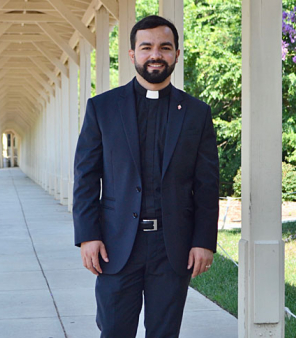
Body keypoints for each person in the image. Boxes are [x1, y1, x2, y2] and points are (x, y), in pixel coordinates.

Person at [73, 15, 219, 338]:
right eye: (147, 47)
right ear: (132, 54)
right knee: (113, 331)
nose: (156, 54)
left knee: (164, 333)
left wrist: (204, 241)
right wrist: (87, 235)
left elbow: (207, 186)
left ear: (177, 54)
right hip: (116, 245)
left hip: (173, 247)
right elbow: (85, 176)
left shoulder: (197, 114)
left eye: (165, 47)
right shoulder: (102, 108)